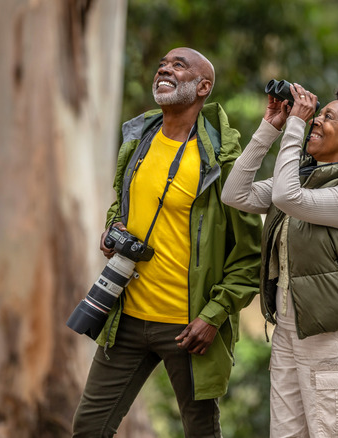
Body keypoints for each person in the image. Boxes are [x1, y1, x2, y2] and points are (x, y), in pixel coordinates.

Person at [72, 47, 262, 437]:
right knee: (89, 428)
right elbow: (121, 205)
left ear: (202, 87)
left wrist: (213, 316)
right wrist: (113, 230)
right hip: (126, 315)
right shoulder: (138, 138)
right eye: (162, 64)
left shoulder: (222, 159)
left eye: (179, 65)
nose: (165, 68)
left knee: (200, 432)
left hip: (187, 326)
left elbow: (250, 256)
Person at [222, 82, 338, 437]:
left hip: (335, 337)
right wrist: (271, 126)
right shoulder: (307, 180)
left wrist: (295, 125)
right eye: (317, 114)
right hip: (292, 328)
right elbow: (235, 193)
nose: (316, 120)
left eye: (328, 116)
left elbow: (288, 198)